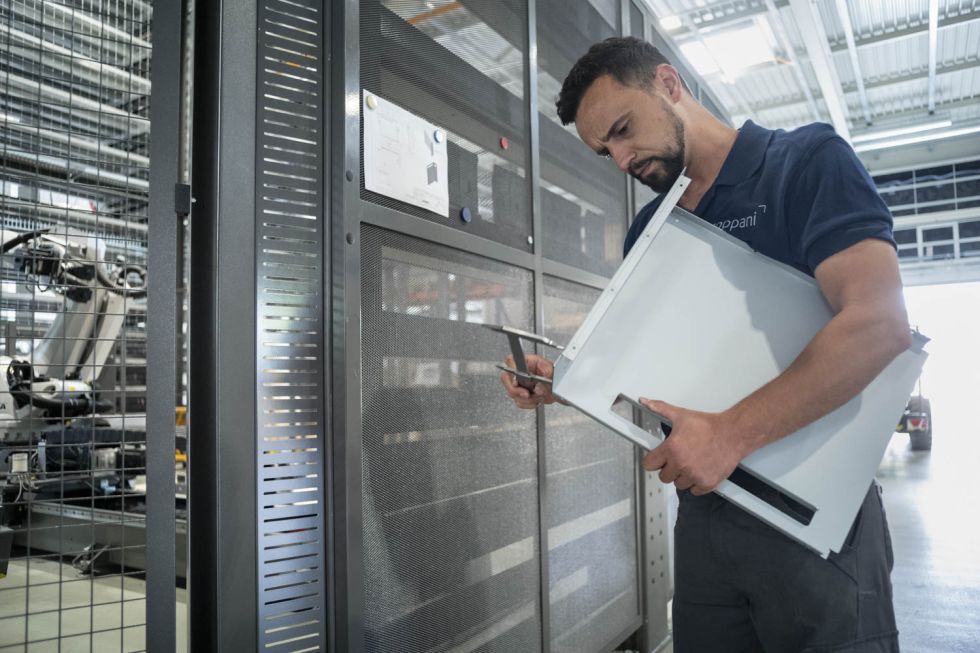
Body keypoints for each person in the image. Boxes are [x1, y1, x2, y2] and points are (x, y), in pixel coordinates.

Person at [499, 37, 908, 652]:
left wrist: (730, 434)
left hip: (813, 515)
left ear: (668, 83)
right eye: (604, 148)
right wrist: (563, 380)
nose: (620, 158)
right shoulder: (652, 226)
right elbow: (651, 369)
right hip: (707, 512)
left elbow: (878, 324)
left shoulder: (804, 162)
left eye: (623, 129)